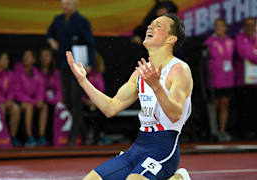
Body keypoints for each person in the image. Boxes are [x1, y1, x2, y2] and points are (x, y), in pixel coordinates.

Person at [66, 13, 192, 180]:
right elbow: (111, 108)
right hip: (138, 147)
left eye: (158, 25)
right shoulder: (140, 73)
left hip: (163, 148)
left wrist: (156, 87)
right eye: (151, 24)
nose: (150, 27)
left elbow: (176, 115)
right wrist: (83, 81)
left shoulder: (179, 70)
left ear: (171, 39)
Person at [46, 0, 95, 146]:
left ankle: (72, 138)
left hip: (77, 65)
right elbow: (49, 32)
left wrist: (90, 64)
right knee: (67, 100)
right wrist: (51, 40)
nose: (64, 6)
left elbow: (90, 43)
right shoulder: (58, 19)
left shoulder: (82, 21)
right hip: (63, 65)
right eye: (63, 3)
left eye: (67, 4)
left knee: (76, 101)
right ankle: (86, 133)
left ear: (75, 5)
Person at [204, 18, 234, 142]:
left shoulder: (231, 42)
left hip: (228, 78)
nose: (219, 28)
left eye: (221, 26)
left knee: (225, 104)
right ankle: (214, 131)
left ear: (226, 28)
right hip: (214, 79)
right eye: (216, 26)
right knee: (214, 105)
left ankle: (222, 131)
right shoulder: (209, 42)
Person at [15, 50, 46, 147]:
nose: (25, 58)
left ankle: (41, 136)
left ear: (34, 60)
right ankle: (29, 137)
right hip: (20, 102)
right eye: (24, 56)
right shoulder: (18, 71)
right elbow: (17, 93)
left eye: (28, 56)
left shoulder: (37, 73)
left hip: (33, 102)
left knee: (44, 107)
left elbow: (41, 89)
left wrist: (40, 100)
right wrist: (33, 101)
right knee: (29, 107)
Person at [234, 17, 257, 139]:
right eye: (247, 24)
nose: (250, 27)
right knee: (244, 108)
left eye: (252, 24)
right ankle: (244, 132)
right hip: (243, 81)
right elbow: (245, 53)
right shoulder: (240, 38)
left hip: (255, 82)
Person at [38, 48, 63, 146]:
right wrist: (47, 100)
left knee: (59, 107)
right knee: (46, 107)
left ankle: (57, 138)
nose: (45, 58)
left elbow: (58, 89)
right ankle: (42, 137)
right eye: (43, 56)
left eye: (47, 56)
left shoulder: (55, 73)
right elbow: (39, 89)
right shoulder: (36, 72)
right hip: (42, 100)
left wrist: (57, 100)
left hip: (53, 101)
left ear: (51, 58)